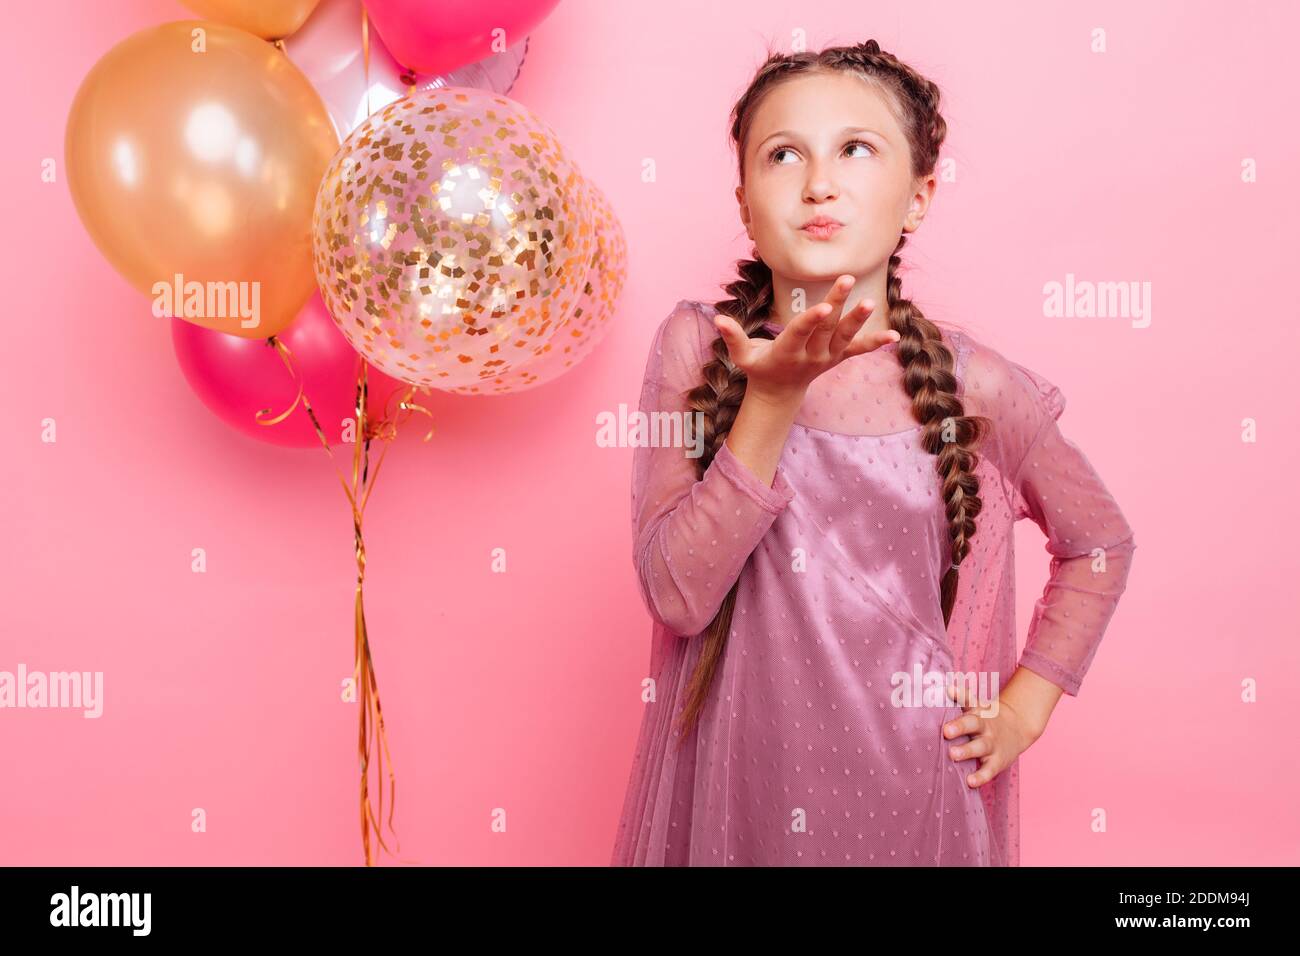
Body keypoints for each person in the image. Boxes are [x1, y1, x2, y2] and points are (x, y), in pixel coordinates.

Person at [610, 39, 1138, 867]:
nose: (819, 182)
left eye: (856, 149)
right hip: (737, 794)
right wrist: (771, 402)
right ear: (746, 204)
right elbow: (677, 595)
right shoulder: (696, 349)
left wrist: (1025, 706)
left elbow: (1100, 542)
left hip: (912, 793)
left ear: (919, 196)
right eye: (784, 155)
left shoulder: (975, 386)